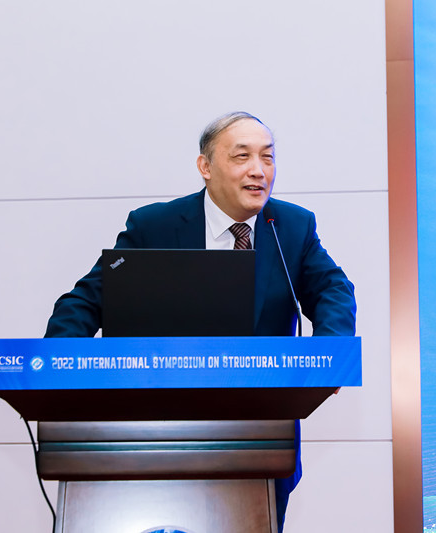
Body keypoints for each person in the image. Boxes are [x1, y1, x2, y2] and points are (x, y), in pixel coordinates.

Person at [45, 111, 357, 531]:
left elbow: (332, 290)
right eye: (242, 156)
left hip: (259, 437)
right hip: (152, 433)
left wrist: (328, 354)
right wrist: (61, 370)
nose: (258, 170)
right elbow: (86, 300)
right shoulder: (154, 226)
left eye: (267, 157)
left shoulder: (291, 226)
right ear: (205, 167)